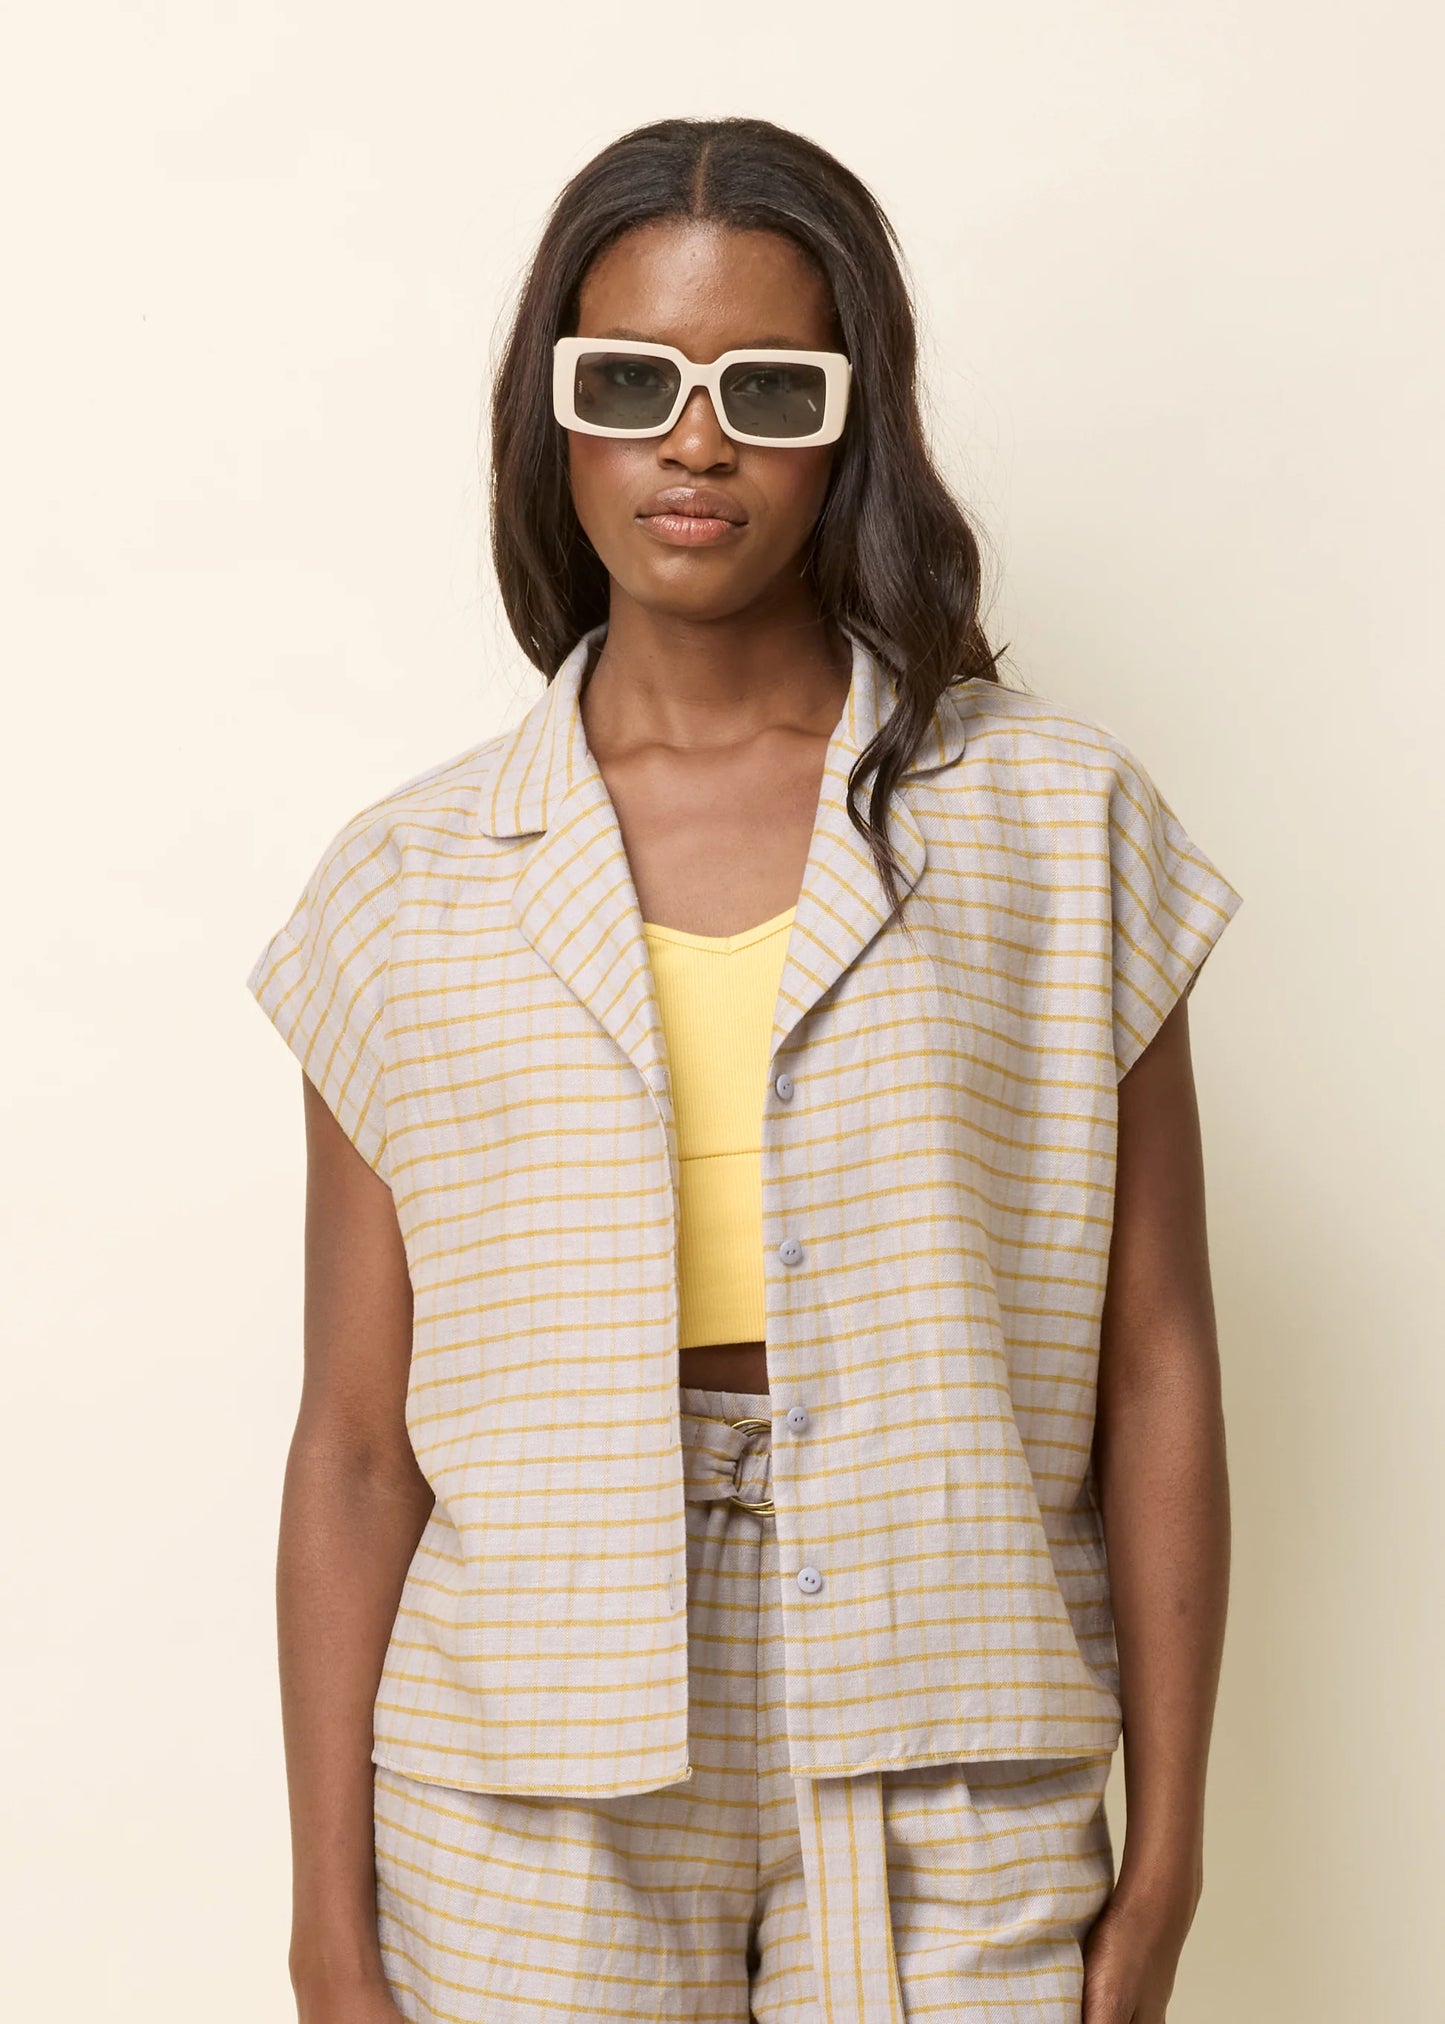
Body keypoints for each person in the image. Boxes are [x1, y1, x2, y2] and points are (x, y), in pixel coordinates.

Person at [247, 115, 1242, 2024]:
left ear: (850, 429)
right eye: (629, 384)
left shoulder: (1055, 820)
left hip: (954, 1719)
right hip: (521, 1760)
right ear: (552, 418)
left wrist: (1174, 1853)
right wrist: (324, 1932)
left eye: (767, 391)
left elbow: (1155, 1359)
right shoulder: (402, 885)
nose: (692, 443)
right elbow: (355, 1445)